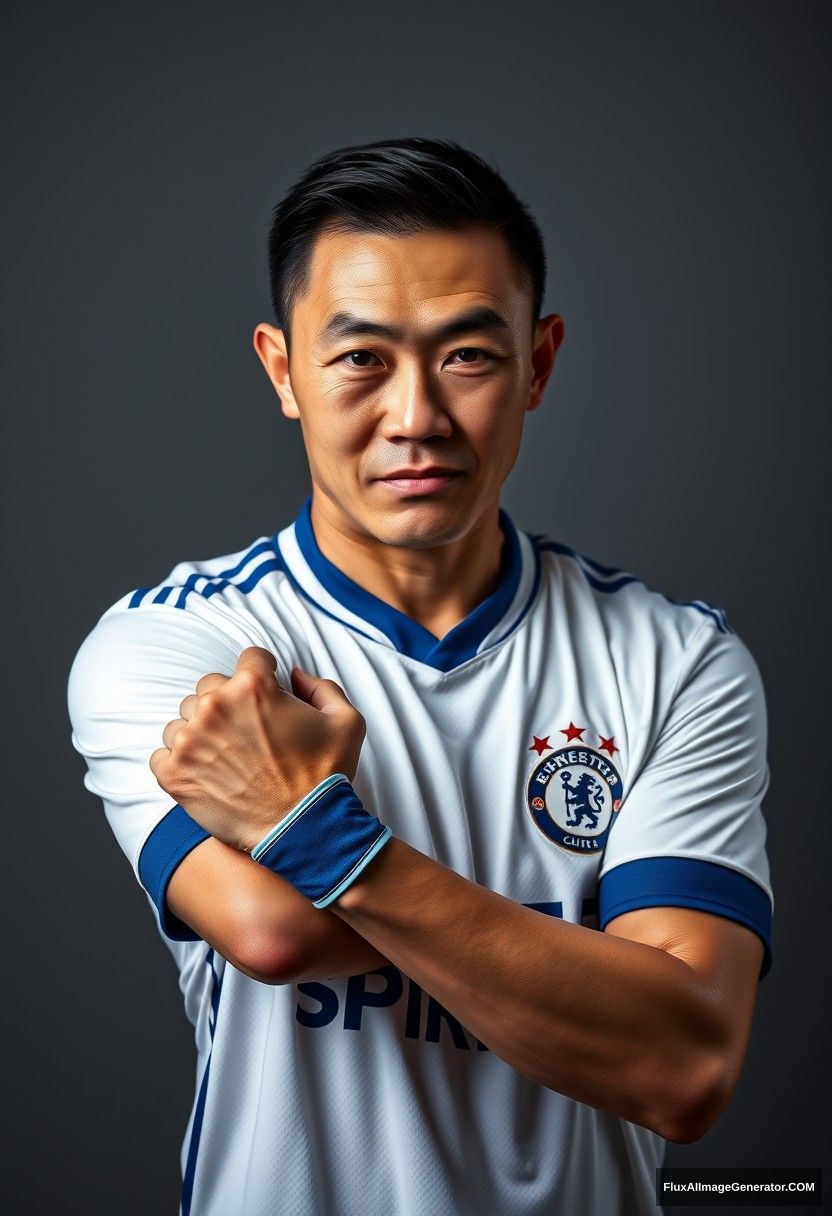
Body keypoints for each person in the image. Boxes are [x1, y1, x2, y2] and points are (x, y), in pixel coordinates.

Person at [66, 136, 773, 1216]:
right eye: (359, 358)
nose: (415, 418)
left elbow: (678, 1068)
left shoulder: (674, 660)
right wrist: (594, 971)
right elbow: (275, 931)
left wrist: (317, 829)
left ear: (537, 364)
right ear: (280, 369)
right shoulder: (174, 643)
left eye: (467, 357)